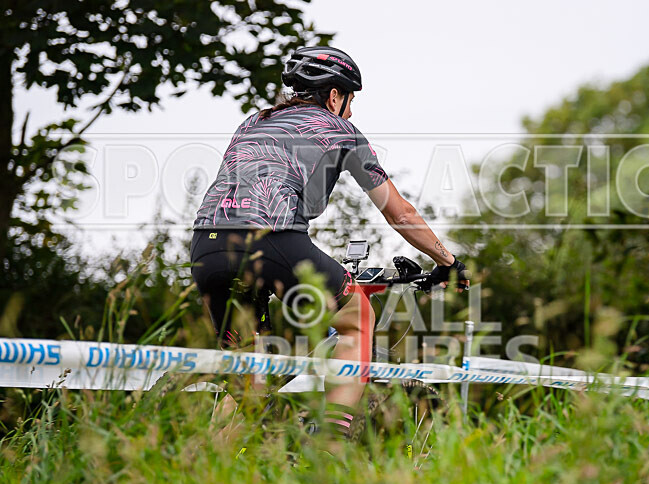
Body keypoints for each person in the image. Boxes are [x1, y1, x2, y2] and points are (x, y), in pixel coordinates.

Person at [190, 46, 468, 439]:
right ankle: (331, 443)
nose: (350, 112)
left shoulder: (253, 122)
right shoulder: (340, 129)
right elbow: (400, 214)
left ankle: (210, 460)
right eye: (350, 101)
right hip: (272, 239)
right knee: (358, 319)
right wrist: (448, 262)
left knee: (249, 380)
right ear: (335, 95)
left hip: (206, 245)